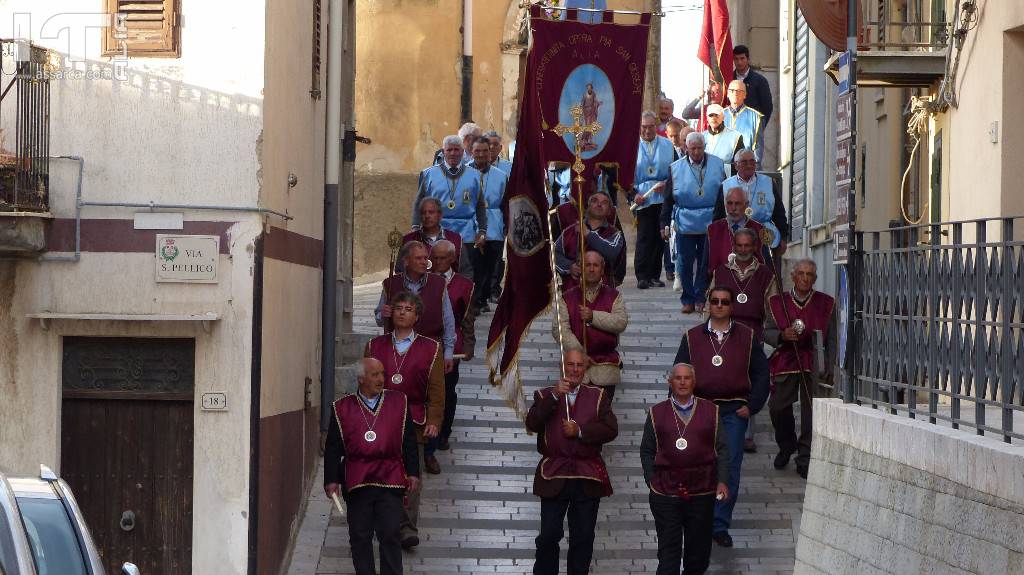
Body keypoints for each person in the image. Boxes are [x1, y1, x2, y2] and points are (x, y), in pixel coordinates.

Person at [672, 285, 770, 548]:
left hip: (733, 412)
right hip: (700, 410)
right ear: (707, 304)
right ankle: (697, 519)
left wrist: (752, 406)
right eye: (714, 301)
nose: (719, 305)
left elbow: (762, 374)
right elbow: (679, 372)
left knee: (729, 467)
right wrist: (680, 408)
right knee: (697, 464)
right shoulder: (692, 336)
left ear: (731, 307)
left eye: (724, 302)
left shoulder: (747, 337)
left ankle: (719, 524)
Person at [324, 358, 421, 575]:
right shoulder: (342, 408)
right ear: (361, 379)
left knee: (390, 533)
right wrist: (331, 479)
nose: (381, 379)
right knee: (360, 536)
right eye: (374, 375)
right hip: (358, 481)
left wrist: (413, 472)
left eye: (382, 374)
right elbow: (333, 447)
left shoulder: (399, 402)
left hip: (391, 477)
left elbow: (409, 441)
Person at [526, 347, 617, 575]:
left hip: (587, 476)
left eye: (579, 365)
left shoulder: (598, 396)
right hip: (554, 475)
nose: (575, 369)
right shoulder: (544, 394)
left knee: (583, 537)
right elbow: (533, 423)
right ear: (562, 367)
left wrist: (580, 431)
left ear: (586, 368)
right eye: (570, 364)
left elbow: (611, 429)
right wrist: (554, 396)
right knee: (548, 534)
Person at [364, 294, 444, 548]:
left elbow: (437, 391)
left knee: (411, 475)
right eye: (398, 308)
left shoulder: (431, 348)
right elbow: (364, 384)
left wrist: (434, 420)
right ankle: (384, 520)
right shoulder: (374, 345)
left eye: (408, 309)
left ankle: (407, 527)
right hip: (380, 422)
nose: (402, 313)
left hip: (415, 422)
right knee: (381, 474)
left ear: (416, 316)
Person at [640, 363, 730, 575]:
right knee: (668, 554)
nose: (682, 382)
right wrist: (651, 480)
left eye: (686, 378)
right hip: (666, 492)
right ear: (670, 382)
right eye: (678, 378)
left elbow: (723, 449)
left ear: (694, 382)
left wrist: (722, 480)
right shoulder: (656, 412)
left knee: (698, 554)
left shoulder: (711, 411)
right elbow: (646, 450)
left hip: (702, 490)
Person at [764, 260, 835, 479]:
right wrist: (781, 335)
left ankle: (805, 457)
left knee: (811, 412)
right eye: (801, 274)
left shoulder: (826, 303)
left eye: (810, 275)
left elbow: (832, 338)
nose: (805, 278)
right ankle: (786, 444)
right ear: (793, 276)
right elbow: (766, 331)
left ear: (815, 278)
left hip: (814, 360)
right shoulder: (777, 302)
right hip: (787, 357)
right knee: (777, 407)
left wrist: (829, 365)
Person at [660, 132, 727, 315]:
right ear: (686, 147)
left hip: (710, 221)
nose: (696, 152)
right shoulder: (675, 168)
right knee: (684, 262)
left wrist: (721, 221)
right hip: (685, 222)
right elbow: (668, 199)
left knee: (706, 263)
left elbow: (723, 195)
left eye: (699, 147)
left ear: (704, 146)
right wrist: (663, 224)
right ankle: (687, 299)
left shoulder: (718, 164)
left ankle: (701, 297)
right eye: (693, 148)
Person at [426, 240, 477, 468]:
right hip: (426, 344)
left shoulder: (464, 285)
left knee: (447, 390)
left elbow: (467, 317)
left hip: (451, 345)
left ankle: (443, 431)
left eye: (442, 258)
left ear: (452, 259)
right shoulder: (424, 280)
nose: (437, 262)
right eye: (434, 258)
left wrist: (468, 344)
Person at [553, 251, 628, 399]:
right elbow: (560, 329)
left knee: (600, 418)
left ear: (602, 269)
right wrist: (579, 354)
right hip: (575, 368)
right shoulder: (567, 297)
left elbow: (620, 322)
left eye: (595, 265)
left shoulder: (614, 296)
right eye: (587, 265)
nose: (591, 269)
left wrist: (593, 316)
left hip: (605, 368)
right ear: (581, 268)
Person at [412, 134, 487, 279]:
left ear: (463, 152)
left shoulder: (475, 176)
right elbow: (418, 203)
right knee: (435, 270)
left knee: (465, 272)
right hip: (436, 232)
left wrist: (482, 230)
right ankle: (437, 300)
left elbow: (480, 205)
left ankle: (463, 300)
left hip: (466, 234)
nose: (453, 153)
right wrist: (415, 227)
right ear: (443, 151)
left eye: (457, 149)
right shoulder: (428, 174)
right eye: (449, 150)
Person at [375, 241, 456, 374]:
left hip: (430, 350)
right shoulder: (390, 284)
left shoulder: (439, 284)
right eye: (418, 258)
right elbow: (379, 318)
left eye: (425, 258)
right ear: (406, 261)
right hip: (397, 351)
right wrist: (383, 314)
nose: (424, 262)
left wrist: (448, 353)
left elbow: (448, 320)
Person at [709, 228, 778, 342]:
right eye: (739, 245)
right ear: (734, 246)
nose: (743, 250)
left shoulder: (766, 274)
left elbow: (772, 309)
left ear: (755, 247)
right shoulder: (720, 272)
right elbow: (710, 305)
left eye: (747, 245)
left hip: (754, 334)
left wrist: (767, 335)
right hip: (724, 333)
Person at [629, 111, 674, 289]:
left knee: (659, 237)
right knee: (644, 237)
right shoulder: (631, 146)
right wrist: (633, 195)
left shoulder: (667, 145)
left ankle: (655, 275)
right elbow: (624, 176)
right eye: (644, 127)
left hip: (662, 197)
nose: (647, 131)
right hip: (642, 198)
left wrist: (667, 184)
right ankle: (642, 275)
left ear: (655, 126)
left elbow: (675, 170)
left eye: (650, 127)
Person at [717, 149, 788, 255]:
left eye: (752, 162)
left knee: (765, 268)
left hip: (763, 233)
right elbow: (718, 216)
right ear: (736, 165)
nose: (749, 165)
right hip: (735, 233)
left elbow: (779, 213)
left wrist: (783, 237)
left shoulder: (768, 183)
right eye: (744, 162)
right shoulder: (725, 186)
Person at [554, 190, 626, 291]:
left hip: (603, 292)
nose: (599, 204)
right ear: (588, 206)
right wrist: (569, 266)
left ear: (609, 210)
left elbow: (612, 253)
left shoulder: (614, 234)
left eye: (604, 202)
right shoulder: (570, 231)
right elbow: (554, 253)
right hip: (572, 291)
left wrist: (588, 234)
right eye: (595, 201)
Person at [468, 136, 508, 312]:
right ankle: (474, 300)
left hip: (494, 224)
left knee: (491, 265)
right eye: (477, 151)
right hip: (471, 224)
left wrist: (507, 225)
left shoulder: (501, 176)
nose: (481, 154)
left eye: (485, 151)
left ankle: (483, 298)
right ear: (471, 152)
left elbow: (506, 202)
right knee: (473, 264)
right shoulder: (464, 172)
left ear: (490, 152)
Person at [705, 187, 771, 276]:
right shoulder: (713, 230)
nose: (733, 208)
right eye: (729, 203)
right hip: (720, 285)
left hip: (751, 285)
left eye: (737, 204)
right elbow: (705, 268)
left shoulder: (759, 229)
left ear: (746, 205)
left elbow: (767, 265)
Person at [401, 197, 463, 274]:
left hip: (449, 284)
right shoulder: (408, 240)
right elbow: (400, 270)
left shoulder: (456, 239)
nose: (427, 216)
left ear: (439, 215)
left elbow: (466, 271)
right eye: (423, 213)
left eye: (431, 212)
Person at [723, 82, 765, 166]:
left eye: (739, 91)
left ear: (745, 95)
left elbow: (758, 147)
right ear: (727, 94)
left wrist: (754, 168)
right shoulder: (720, 115)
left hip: (745, 165)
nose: (735, 93)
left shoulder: (755, 117)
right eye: (732, 90)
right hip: (723, 165)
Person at [733, 45, 773, 127]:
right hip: (732, 129)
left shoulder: (760, 81)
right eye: (736, 59)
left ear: (748, 59)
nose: (739, 62)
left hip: (752, 128)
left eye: (742, 58)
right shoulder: (729, 80)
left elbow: (767, 107)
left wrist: (759, 127)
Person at [702, 104, 745, 176]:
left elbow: (740, 164)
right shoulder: (701, 137)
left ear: (723, 117)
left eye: (717, 115)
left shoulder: (735, 136)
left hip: (726, 180)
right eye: (711, 115)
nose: (714, 118)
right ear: (707, 118)